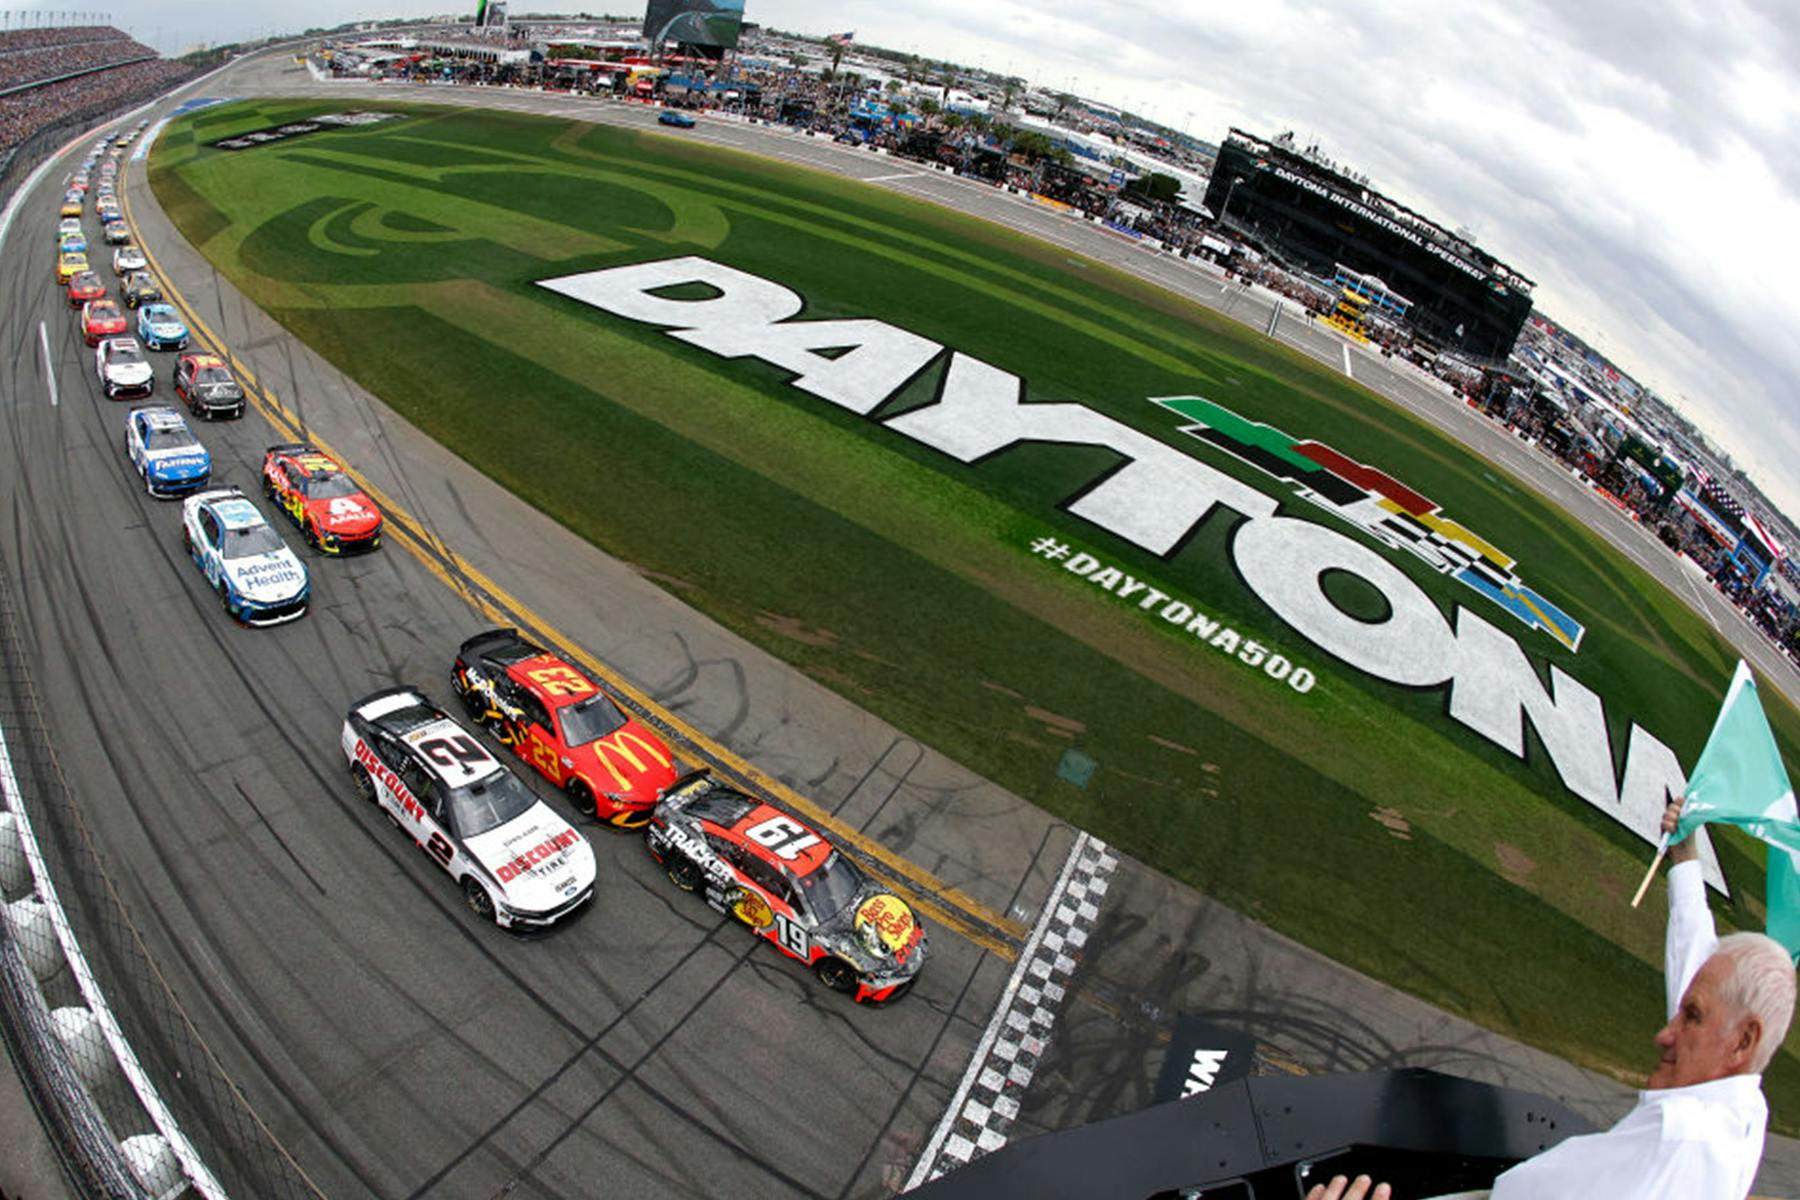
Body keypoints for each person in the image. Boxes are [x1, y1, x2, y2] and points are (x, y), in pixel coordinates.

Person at [1487, 794, 1795, 1198]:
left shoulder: (1674, 1134)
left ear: (1742, 1042)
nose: (1664, 1034)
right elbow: (1702, 985)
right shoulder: (1742, 1112)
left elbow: (1524, 1192)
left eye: (1691, 1017)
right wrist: (1685, 860)